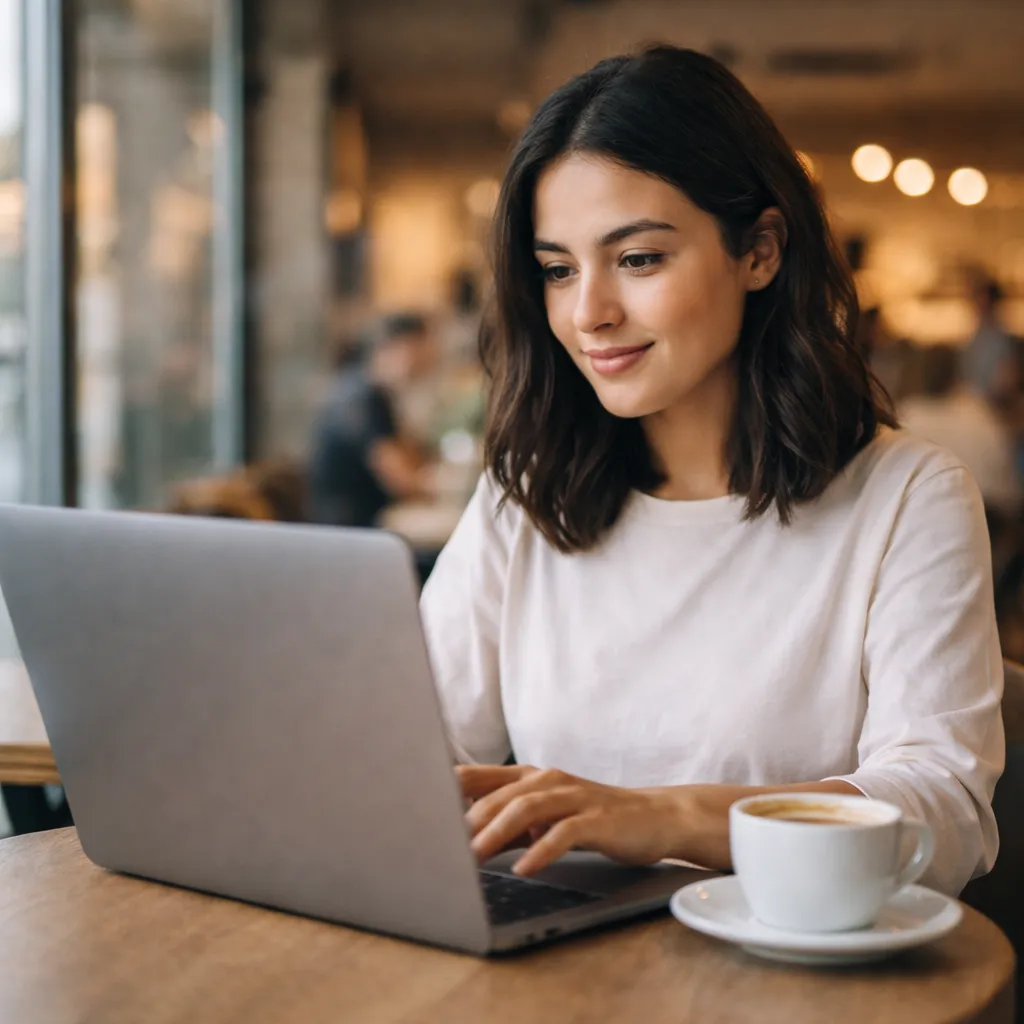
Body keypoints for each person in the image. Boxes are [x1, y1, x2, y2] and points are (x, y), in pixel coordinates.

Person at [419, 45, 1004, 897]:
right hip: (562, 968)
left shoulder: (907, 495)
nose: (589, 314)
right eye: (557, 270)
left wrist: (671, 818)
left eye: (639, 258)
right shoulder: (525, 491)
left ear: (760, 250)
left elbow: (943, 817)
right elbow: (419, 750)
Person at [308, 313, 436, 528]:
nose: (426, 361)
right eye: (419, 351)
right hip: (349, 530)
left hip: (364, 523)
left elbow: (409, 455)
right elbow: (399, 477)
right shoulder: (360, 398)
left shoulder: (375, 394)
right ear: (392, 347)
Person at [963, 276, 1019, 411]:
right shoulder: (975, 335)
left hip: (994, 407)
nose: (977, 306)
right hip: (975, 404)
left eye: (981, 301)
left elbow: (1008, 376)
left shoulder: (1002, 337)